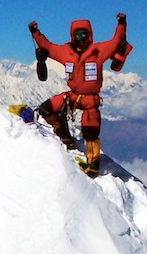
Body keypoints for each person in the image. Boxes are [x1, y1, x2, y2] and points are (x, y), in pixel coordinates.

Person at [27, 13, 131, 174]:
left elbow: (117, 41)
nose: (81, 38)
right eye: (77, 34)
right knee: (47, 109)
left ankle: (92, 165)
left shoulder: (99, 50)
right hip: (73, 96)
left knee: (91, 132)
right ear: (72, 35)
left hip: (90, 100)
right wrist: (35, 32)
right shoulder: (65, 52)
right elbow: (47, 46)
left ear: (89, 34)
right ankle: (64, 136)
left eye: (84, 34)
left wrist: (121, 24)